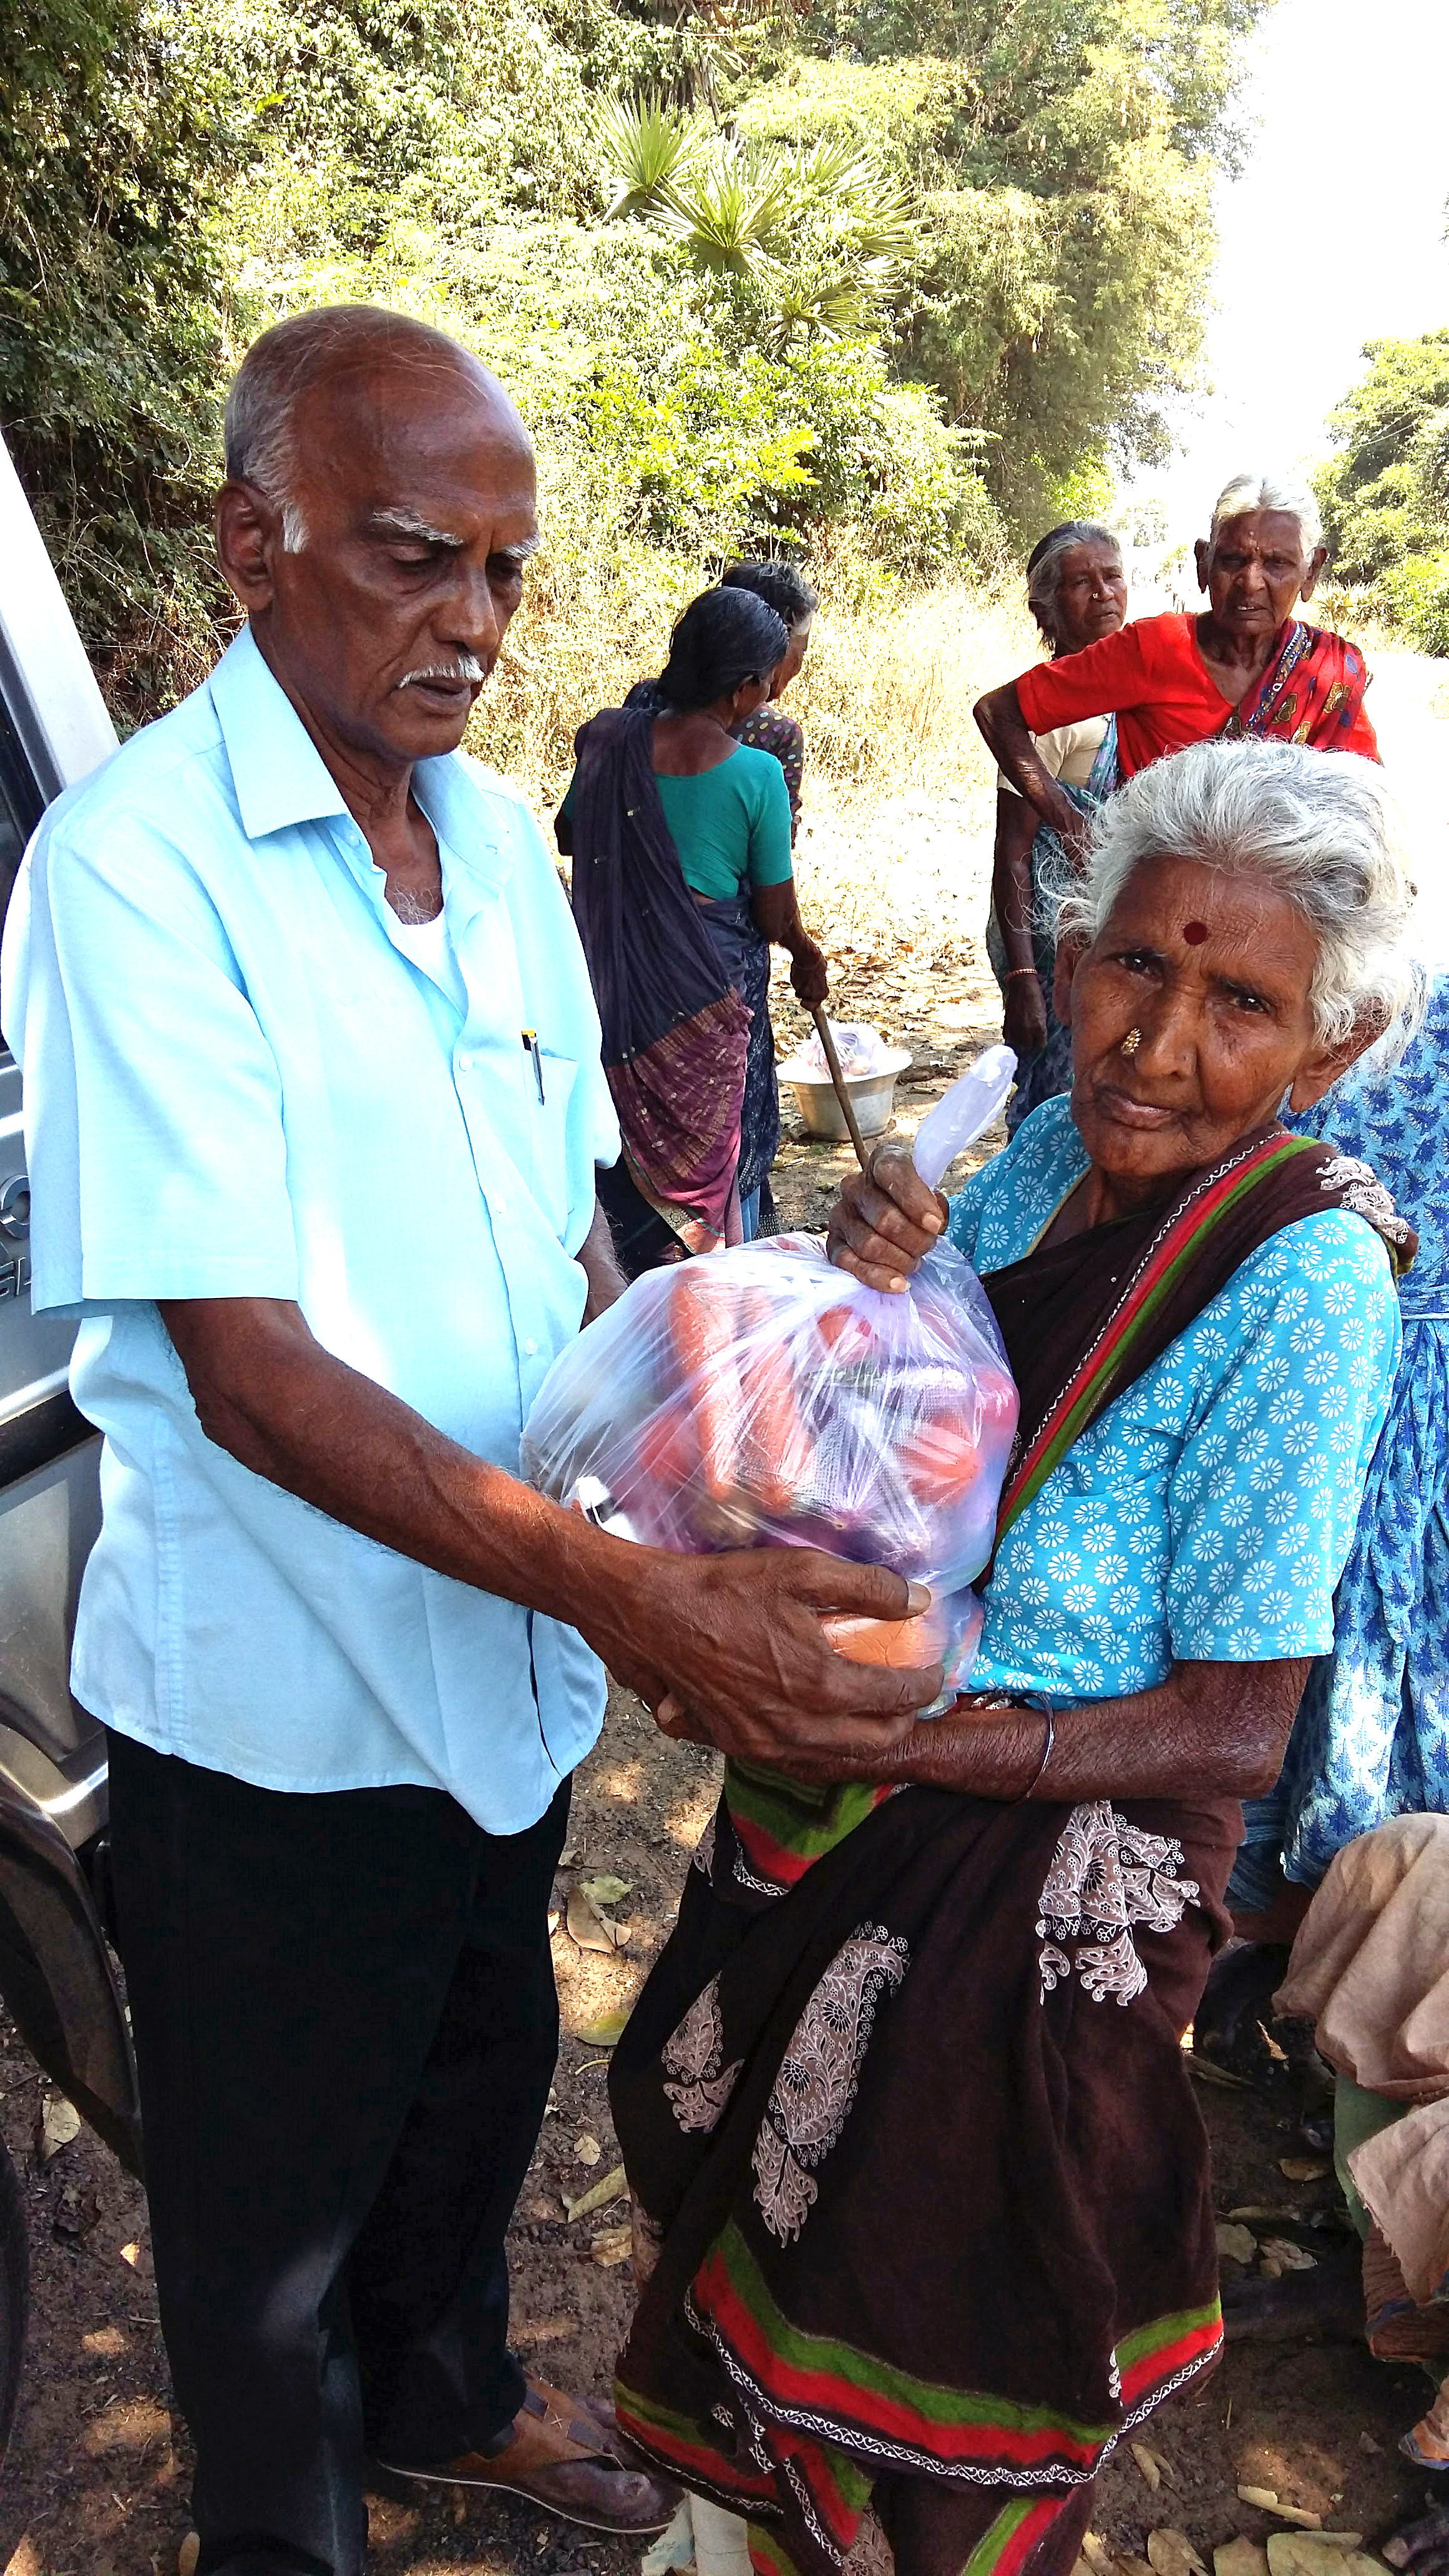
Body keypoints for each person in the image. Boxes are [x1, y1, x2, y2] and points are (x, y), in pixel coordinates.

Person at [0, 303, 942, 2576]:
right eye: (420, 560)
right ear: (254, 540)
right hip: (284, 1719)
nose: (479, 628)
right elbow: (251, 1369)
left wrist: (767, 1344)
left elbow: (566, 1240)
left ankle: (445, 2395)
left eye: (508, 574)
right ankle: (288, 2534)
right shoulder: (139, 874)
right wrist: (632, 1593)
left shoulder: (506, 843)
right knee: (264, 2241)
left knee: (473, 2090)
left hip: (507, 1688)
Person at [603, 738, 1417, 2576]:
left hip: (1020, 1899)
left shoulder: (1305, 1281)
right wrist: (858, 1277)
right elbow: (894, 1437)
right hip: (831, 1795)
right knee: (763, 2263)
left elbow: (1237, 1720)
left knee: (934, 2387)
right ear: (1071, 956)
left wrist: (918, 1738)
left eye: (1239, 1000)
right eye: (1136, 963)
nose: (1156, 1038)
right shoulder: (1047, 1135)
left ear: (1330, 1047)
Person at [1221, 971, 1449, 1934]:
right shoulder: (1286, 977)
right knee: (1282, 1649)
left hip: (1368, 1375)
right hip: (1309, 1351)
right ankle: (1283, 1939)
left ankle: (1307, 1939)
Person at [558, 587, 828, 1268]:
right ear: (743, 690)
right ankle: (703, 1307)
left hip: (606, 996)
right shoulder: (758, 773)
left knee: (614, 1161)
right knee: (703, 1174)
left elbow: (569, 832)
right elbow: (773, 915)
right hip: (703, 1009)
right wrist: (804, 950)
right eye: (767, 683)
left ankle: (618, 1291)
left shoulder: (607, 740)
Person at [975, 474, 1380, 870]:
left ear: (1311, 572)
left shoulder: (1326, 671)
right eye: (1233, 560)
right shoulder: (1155, 648)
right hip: (1157, 908)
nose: (1251, 583)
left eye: (1277, 564)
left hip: (1278, 914)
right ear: (1203, 563)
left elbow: (1364, 803)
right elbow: (998, 712)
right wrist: (1069, 824)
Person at [986, 520, 1128, 1131]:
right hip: (1051, 943)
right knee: (1054, 1104)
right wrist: (1023, 979)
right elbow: (1012, 852)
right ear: (1046, 607)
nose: (1102, 594)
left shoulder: (1138, 687)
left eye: (1112, 576)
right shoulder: (1047, 708)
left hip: (1112, 933)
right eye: (1080, 583)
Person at [720, 557, 819, 844]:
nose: (801, 661)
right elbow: (774, 848)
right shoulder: (779, 734)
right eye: (804, 644)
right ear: (780, 640)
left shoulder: (647, 698)